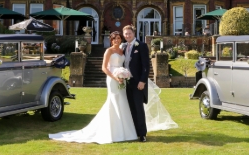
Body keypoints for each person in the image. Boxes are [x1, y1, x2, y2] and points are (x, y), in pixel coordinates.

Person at [49, 29, 177, 144]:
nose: (121, 38)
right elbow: (104, 67)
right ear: (111, 40)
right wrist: (116, 77)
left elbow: (145, 66)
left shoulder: (135, 46)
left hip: (133, 81)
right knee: (118, 104)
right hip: (114, 80)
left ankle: (141, 134)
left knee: (135, 107)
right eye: (119, 36)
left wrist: (141, 80)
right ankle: (116, 131)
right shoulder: (111, 50)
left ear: (133, 34)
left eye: (125, 35)